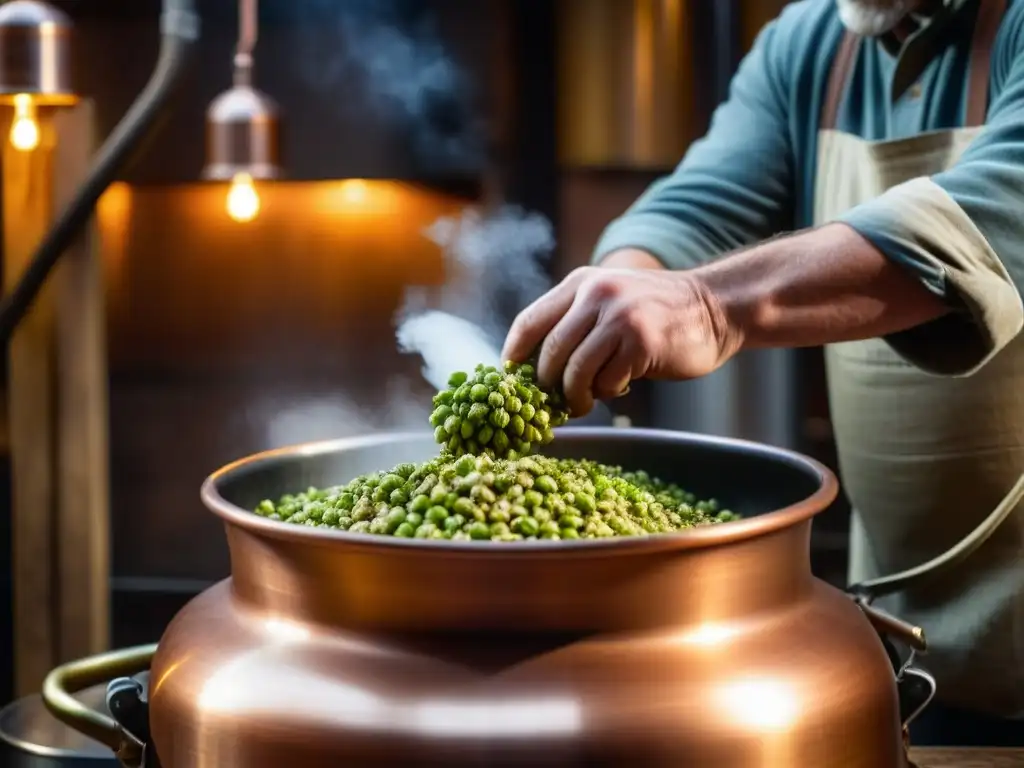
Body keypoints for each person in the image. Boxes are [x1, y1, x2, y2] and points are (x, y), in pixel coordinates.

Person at [503, 0, 1024, 748]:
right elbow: (697, 210)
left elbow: (994, 213)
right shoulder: (809, 43)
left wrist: (707, 306)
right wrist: (617, 294)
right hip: (914, 650)